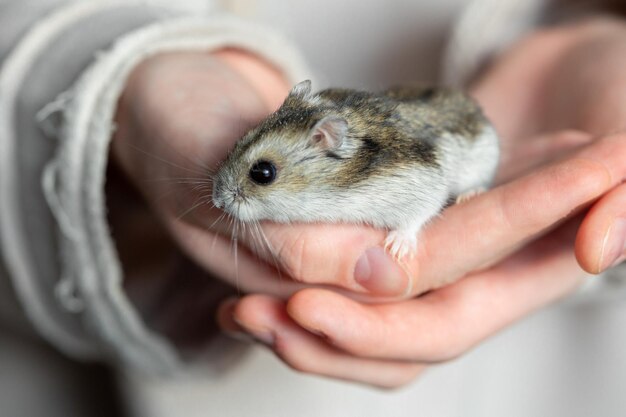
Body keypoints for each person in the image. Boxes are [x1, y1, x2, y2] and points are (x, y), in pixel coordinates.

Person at [1, 0, 626, 416]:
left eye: (261, 174)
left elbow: (425, 179)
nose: (228, 192)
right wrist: (117, 82)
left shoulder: (385, 173)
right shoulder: (319, 141)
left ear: (327, 146)